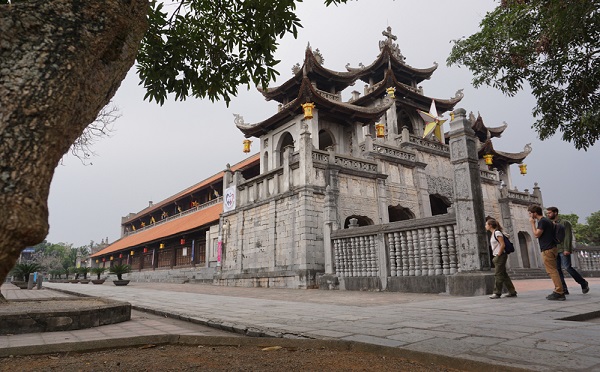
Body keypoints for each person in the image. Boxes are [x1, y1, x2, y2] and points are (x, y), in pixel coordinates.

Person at [546, 206, 590, 295]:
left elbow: (567, 236)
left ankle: (583, 283)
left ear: (555, 213)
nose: (548, 215)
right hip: (554, 249)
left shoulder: (564, 223)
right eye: (547, 213)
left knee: (567, 267)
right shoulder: (550, 224)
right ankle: (563, 288)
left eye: (550, 213)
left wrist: (567, 249)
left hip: (563, 249)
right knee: (557, 270)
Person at [528, 204, 565, 300]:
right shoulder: (547, 221)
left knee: (552, 271)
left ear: (535, 213)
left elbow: (536, 234)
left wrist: (532, 223)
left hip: (548, 249)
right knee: (554, 270)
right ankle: (560, 290)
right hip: (552, 248)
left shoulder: (542, 221)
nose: (530, 215)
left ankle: (559, 291)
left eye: (530, 213)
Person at [486, 219, 517, 299]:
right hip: (497, 255)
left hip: (500, 255)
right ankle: (512, 291)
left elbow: (502, 244)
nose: (485, 226)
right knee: (503, 274)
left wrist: (499, 255)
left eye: (486, 224)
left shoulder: (497, 232)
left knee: (498, 274)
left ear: (490, 225)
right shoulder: (493, 233)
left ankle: (497, 292)